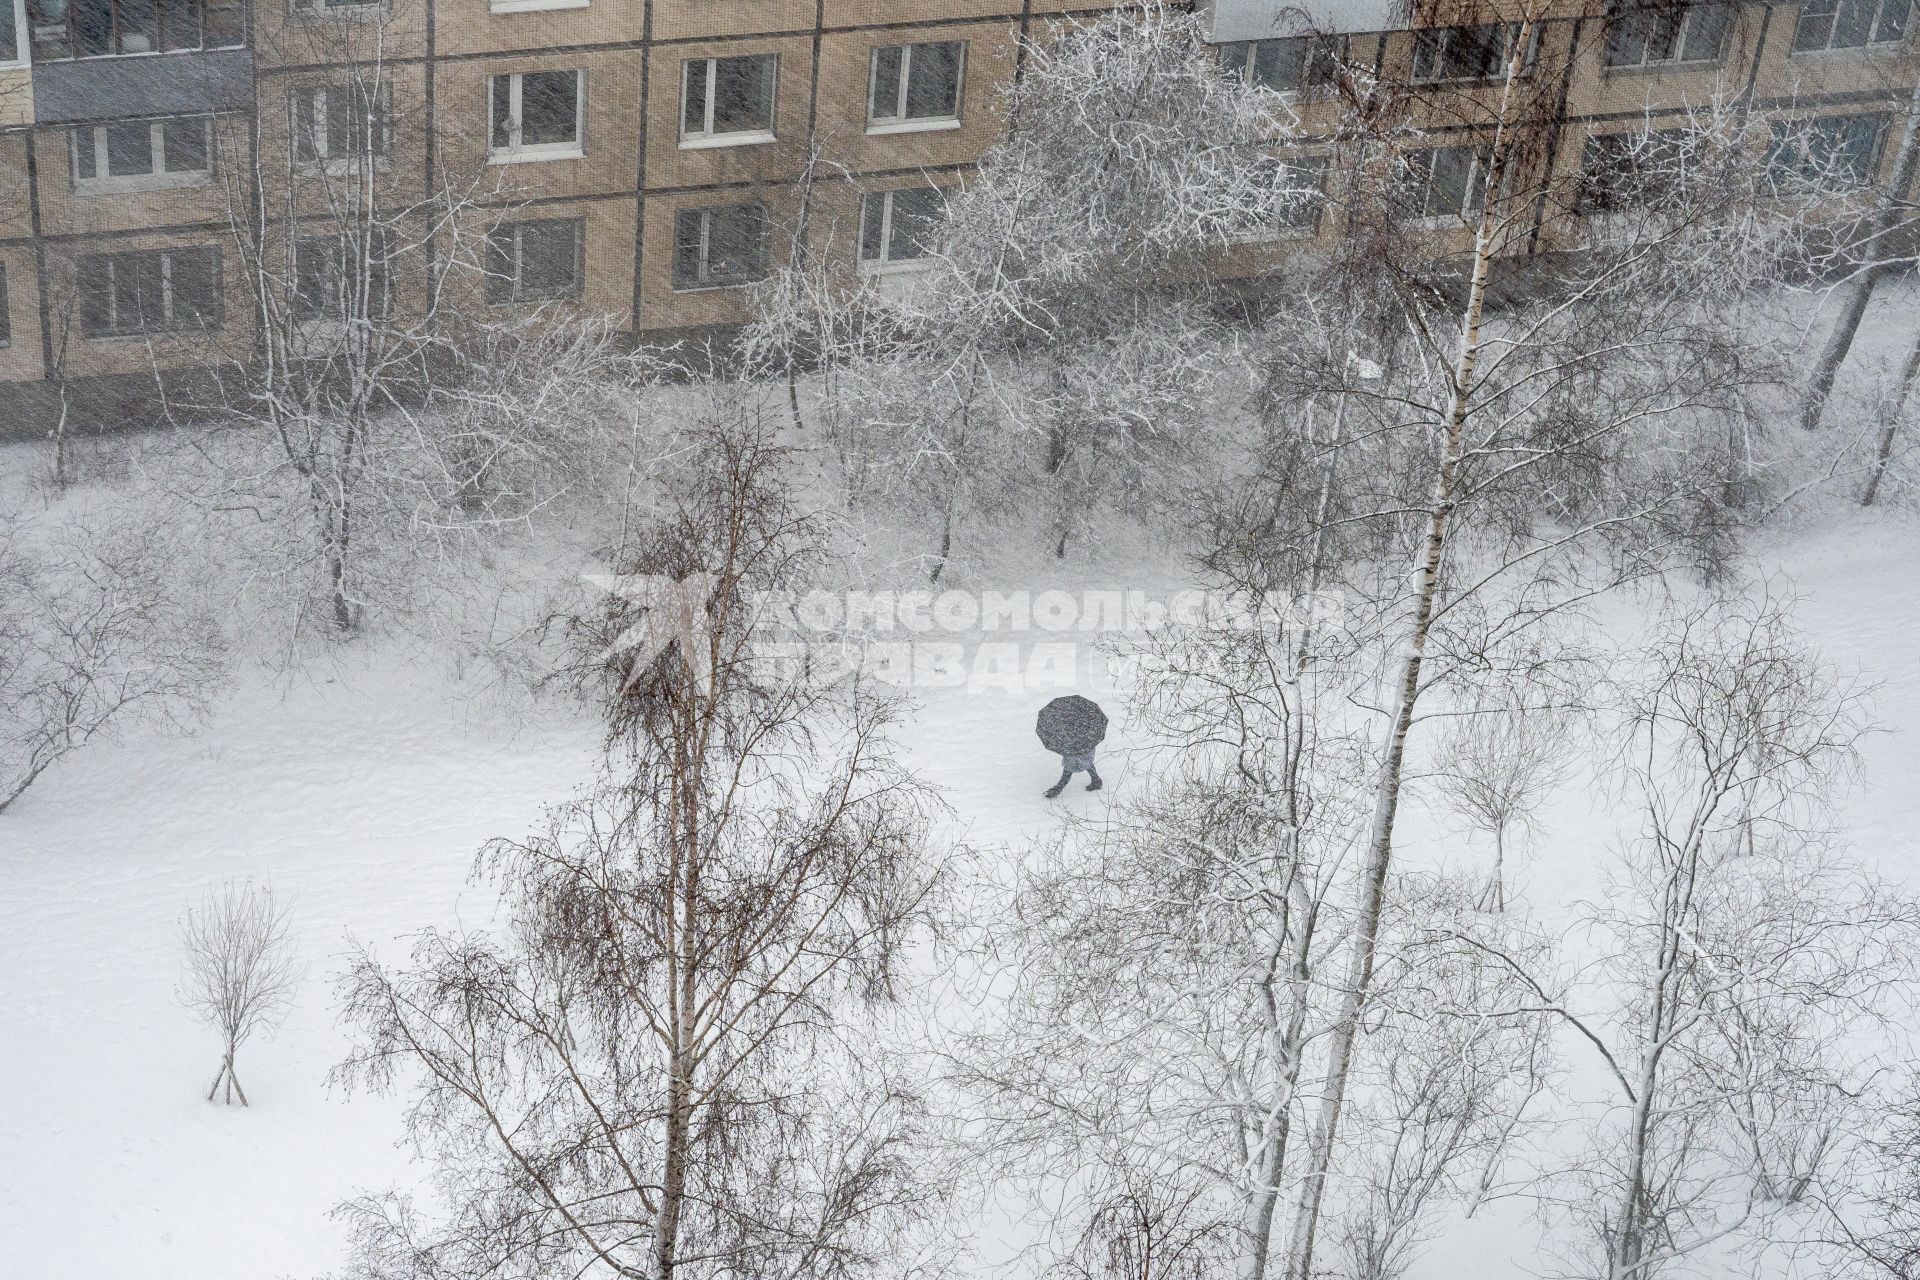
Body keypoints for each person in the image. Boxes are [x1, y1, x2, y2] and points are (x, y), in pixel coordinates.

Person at [1036, 694, 1109, 798]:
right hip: (1085, 746)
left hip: (1076, 748)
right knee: (1086, 764)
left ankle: (1058, 789)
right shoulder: (1087, 723)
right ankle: (1096, 780)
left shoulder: (1067, 728)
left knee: (1069, 769)